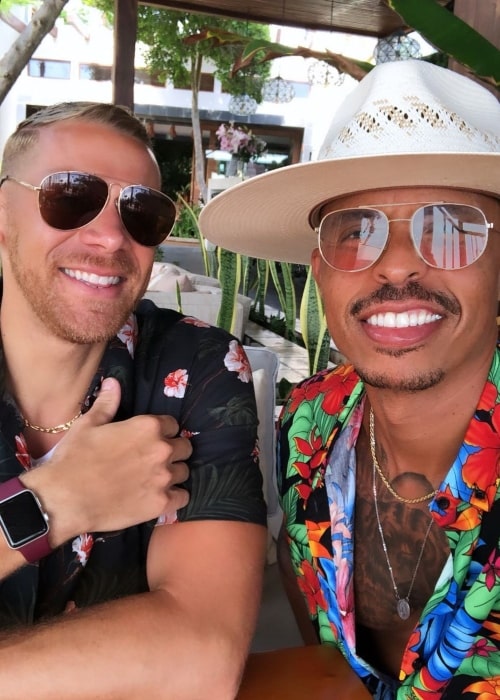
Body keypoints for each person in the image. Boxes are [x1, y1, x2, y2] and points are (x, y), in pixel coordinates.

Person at [199, 59, 500, 698]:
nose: (394, 266)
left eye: (449, 228)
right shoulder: (309, 422)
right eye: (356, 232)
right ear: (321, 274)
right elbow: (302, 570)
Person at [0, 102, 267, 699]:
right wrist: (57, 501)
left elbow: (204, 656)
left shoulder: (197, 368)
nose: (111, 236)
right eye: (70, 197)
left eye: (141, 213)